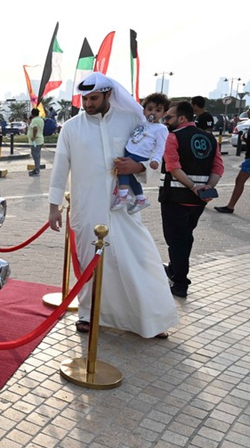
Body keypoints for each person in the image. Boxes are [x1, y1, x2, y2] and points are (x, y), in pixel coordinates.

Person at [48, 72, 178, 339]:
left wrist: (139, 166)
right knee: (89, 263)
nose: (88, 103)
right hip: (87, 206)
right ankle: (87, 315)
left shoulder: (131, 120)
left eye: (94, 98)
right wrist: (53, 206)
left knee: (139, 260)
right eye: (85, 98)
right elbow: (60, 169)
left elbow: (154, 151)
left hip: (124, 206)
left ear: (108, 94)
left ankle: (149, 319)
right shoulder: (72, 127)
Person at [158, 101, 223, 298]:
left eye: (168, 117)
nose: (165, 120)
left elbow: (173, 167)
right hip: (198, 202)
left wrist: (193, 186)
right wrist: (207, 188)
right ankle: (175, 271)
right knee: (185, 238)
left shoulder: (173, 137)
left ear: (182, 118)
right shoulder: (210, 139)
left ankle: (180, 283)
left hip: (175, 198)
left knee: (176, 240)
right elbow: (218, 168)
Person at [111, 92, 170, 214]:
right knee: (132, 177)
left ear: (164, 113)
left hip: (140, 154)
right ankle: (141, 198)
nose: (153, 113)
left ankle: (123, 195)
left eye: (158, 110)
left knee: (122, 168)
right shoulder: (142, 122)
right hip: (130, 150)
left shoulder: (161, 129)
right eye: (149, 109)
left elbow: (160, 147)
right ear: (144, 111)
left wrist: (156, 160)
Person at [27, 108, 44, 176]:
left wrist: (33, 137)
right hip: (40, 140)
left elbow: (35, 128)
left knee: (35, 155)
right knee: (37, 155)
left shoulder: (34, 120)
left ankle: (37, 170)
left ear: (32, 114)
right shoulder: (41, 120)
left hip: (35, 141)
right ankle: (37, 169)